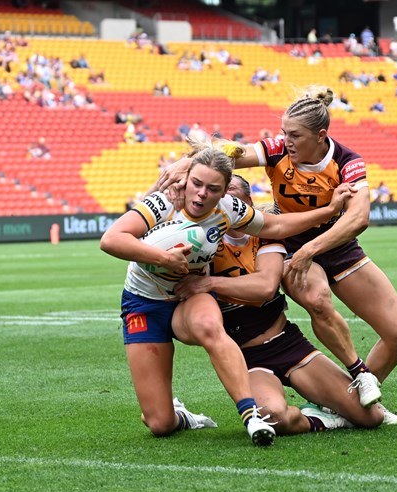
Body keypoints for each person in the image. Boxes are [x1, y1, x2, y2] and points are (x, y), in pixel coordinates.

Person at [156, 85, 397, 423]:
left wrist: (312, 249)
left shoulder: (347, 163)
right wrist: (185, 162)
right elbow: (231, 155)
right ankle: (353, 378)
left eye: (294, 135)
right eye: (284, 133)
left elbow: (358, 217)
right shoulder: (278, 150)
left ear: (320, 136)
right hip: (289, 242)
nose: (286, 141)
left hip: (335, 246)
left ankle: (347, 399)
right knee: (318, 299)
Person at [99, 141, 354, 446]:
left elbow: (275, 224)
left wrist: (328, 211)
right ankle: (181, 415)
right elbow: (111, 239)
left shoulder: (228, 209)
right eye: (196, 184)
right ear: (187, 178)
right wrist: (164, 258)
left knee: (210, 324)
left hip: (189, 297)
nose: (202, 194)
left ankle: (251, 416)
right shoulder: (164, 202)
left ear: (223, 192)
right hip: (144, 303)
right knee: (159, 423)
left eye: (212, 188)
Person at [174, 175, 385, 434]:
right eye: (222, 194)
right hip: (246, 356)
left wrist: (208, 284)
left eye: (233, 192)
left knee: (372, 417)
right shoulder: (203, 242)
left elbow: (265, 288)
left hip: (287, 343)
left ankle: (326, 403)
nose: (227, 198)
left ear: (248, 202)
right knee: (274, 416)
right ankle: (315, 419)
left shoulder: (264, 235)